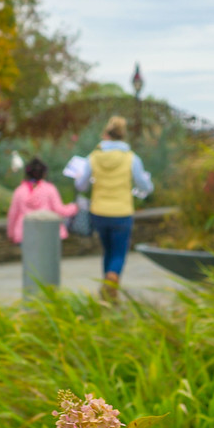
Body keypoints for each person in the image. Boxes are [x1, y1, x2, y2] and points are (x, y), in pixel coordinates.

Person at [78, 115, 153, 298]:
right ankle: (112, 279)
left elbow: (81, 185)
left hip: (99, 211)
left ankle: (109, 290)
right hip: (121, 211)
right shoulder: (131, 158)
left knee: (108, 250)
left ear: (106, 134)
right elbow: (145, 187)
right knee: (119, 252)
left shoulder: (93, 157)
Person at [6, 157, 77, 244]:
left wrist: (11, 233)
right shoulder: (50, 189)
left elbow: (13, 214)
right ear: (44, 174)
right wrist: (74, 208)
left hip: (25, 233)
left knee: (29, 257)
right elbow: (60, 210)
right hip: (48, 232)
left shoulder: (19, 191)